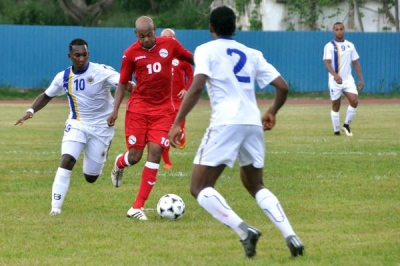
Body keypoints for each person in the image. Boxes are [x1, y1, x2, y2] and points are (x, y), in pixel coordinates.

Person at [168, 5, 304, 259]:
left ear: (211, 27)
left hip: (226, 123)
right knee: (255, 184)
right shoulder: (251, 52)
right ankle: (291, 235)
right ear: (234, 28)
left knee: (199, 187)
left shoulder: (205, 49)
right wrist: (272, 111)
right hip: (252, 122)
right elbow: (282, 86)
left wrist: (177, 122)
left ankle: (245, 230)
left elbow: (197, 86)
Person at [14, 38, 133, 216]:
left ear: (88, 55)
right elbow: (47, 95)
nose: (81, 58)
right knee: (67, 159)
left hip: (102, 127)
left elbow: (122, 82)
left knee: (91, 177)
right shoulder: (63, 77)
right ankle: (55, 209)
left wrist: (130, 87)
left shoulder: (101, 71)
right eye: (77, 55)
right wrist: (30, 111)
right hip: (77, 124)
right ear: (69, 56)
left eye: (84, 55)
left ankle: (106, 154)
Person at [107, 16, 194, 221]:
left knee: (155, 153)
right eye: (142, 36)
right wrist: (115, 110)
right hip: (138, 110)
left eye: (150, 35)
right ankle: (120, 163)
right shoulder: (130, 54)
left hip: (163, 111)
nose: (147, 39)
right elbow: (122, 83)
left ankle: (137, 207)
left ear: (155, 31)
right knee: (135, 156)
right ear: (136, 35)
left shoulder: (170, 44)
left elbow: (191, 58)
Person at [160, 28, 194, 169]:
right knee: (162, 131)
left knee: (178, 130)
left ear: (174, 39)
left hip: (179, 101)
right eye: (164, 37)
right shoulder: (158, 56)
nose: (167, 40)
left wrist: (186, 89)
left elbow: (192, 75)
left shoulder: (182, 57)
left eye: (169, 37)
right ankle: (167, 162)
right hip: (163, 101)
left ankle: (181, 134)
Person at [323, 22, 364, 136]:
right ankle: (336, 131)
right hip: (334, 80)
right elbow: (327, 63)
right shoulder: (329, 46)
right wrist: (335, 76)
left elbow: (355, 62)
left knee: (354, 101)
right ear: (333, 31)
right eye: (336, 29)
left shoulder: (350, 45)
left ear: (344, 30)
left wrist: (361, 79)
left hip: (347, 79)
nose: (339, 31)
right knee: (336, 105)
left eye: (341, 29)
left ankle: (346, 125)